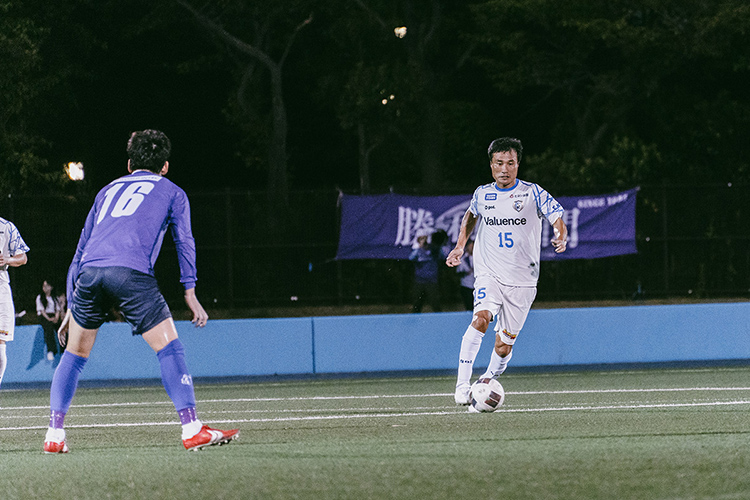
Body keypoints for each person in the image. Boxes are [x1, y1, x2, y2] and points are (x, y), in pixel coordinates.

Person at [44, 129, 239, 453]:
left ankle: (54, 435)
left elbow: (80, 251)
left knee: (74, 356)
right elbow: (184, 241)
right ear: (164, 166)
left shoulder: (107, 190)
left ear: (130, 163)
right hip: (129, 272)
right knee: (169, 348)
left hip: (89, 274)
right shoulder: (172, 191)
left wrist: (71, 303)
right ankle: (192, 428)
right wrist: (189, 292)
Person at [445, 137, 567, 407]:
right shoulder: (482, 194)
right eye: (499, 163)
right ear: (491, 165)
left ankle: (487, 380)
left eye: (510, 163)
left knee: (503, 346)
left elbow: (557, 216)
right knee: (481, 319)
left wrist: (561, 235)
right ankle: (462, 387)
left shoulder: (532, 192)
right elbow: (471, 215)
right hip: (489, 271)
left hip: (523, 280)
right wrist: (459, 246)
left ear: (517, 165)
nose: (504, 169)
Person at [0, 218, 29, 390]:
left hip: (1, 286)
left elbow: (22, 257)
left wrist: (7, 260)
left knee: (1, 341)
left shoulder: (6, 227)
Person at [408, 230, 443, 313]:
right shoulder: (417, 250)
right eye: (421, 239)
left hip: (432, 281)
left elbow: (442, 256)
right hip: (419, 281)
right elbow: (411, 258)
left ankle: (439, 321)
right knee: (417, 304)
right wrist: (420, 247)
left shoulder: (434, 250)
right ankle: (414, 323)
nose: (424, 241)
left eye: (425, 239)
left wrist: (434, 247)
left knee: (435, 304)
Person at [36, 280, 61, 361]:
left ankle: (63, 350)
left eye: (46, 286)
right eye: (43, 286)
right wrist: (49, 318)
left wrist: (56, 318)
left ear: (51, 287)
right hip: (44, 316)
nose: (45, 288)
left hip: (53, 315)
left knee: (61, 328)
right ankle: (51, 350)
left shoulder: (54, 298)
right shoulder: (40, 297)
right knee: (49, 329)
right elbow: (42, 310)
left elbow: (57, 310)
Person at [456, 238, 475, 311]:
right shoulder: (462, 259)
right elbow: (458, 273)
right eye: (470, 246)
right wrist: (466, 273)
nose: (472, 248)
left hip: (477, 285)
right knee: (469, 306)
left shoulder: (479, 258)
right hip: (466, 285)